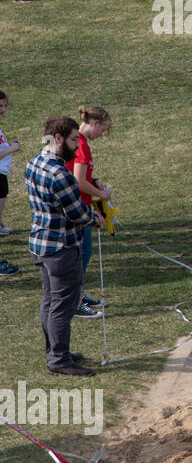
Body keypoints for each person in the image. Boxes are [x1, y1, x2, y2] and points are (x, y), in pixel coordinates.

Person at [26, 114, 102, 376]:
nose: (76, 145)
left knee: (50, 301)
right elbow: (78, 215)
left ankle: (56, 351)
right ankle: (58, 359)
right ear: (57, 138)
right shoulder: (61, 175)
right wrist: (95, 217)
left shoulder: (35, 162)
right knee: (62, 305)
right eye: (72, 140)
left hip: (40, 244)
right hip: (60, 248)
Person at [66, 105, 111, 316]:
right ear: (94, 124)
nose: (102, 135)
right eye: (103, 130)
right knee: (82, 253)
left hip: (78, 203)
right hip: (78, 205)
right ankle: (74, 301)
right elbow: (78, 181)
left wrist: (95, 181)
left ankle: (78, 294)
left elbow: (81, 176)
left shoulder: (79, 143)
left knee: (83, 252)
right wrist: (100, 194)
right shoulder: (81, 145)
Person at [0, 89, 18, 242]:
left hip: (2, 172)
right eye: (0, 106)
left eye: (5, 106)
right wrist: (11, 149)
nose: (3, 110)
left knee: (2, 195)